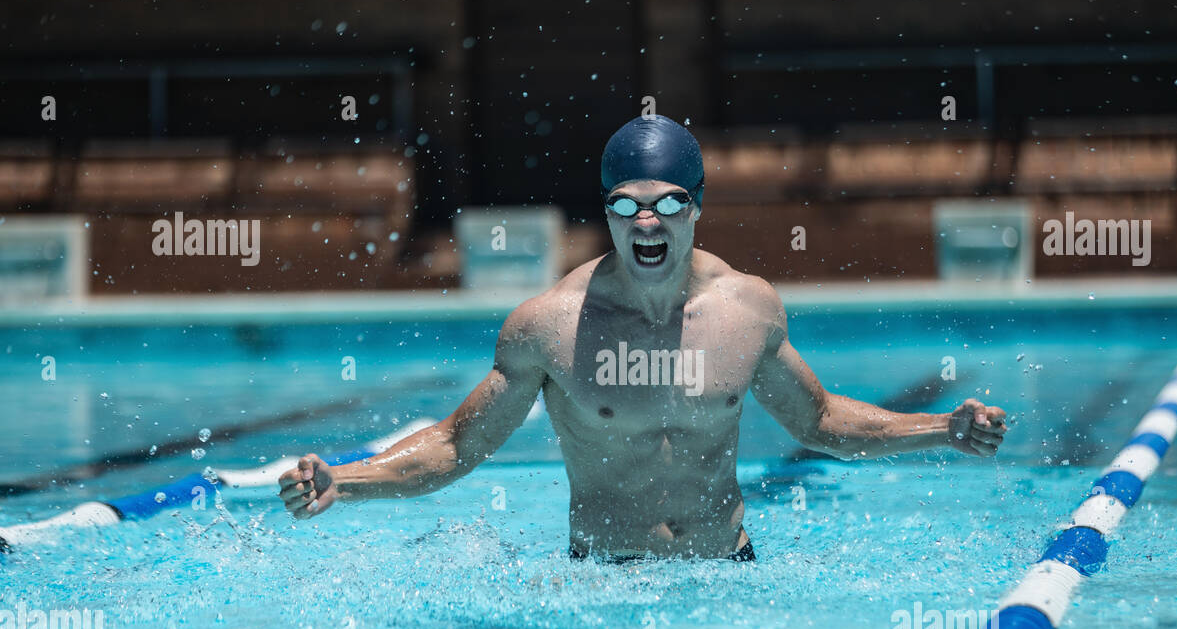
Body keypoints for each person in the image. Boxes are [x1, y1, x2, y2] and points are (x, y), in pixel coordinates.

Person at [278, 115, 1008, 560]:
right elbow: (456, 445)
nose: (647, 223)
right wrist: (346, 482)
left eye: (668, 204)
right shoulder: (549, 326)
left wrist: (941, 428)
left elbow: (818, 421)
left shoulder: (746, 309)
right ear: (607, 212)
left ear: (696, 210)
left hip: (730, 575)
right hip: (605, 585)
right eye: (627, 205)